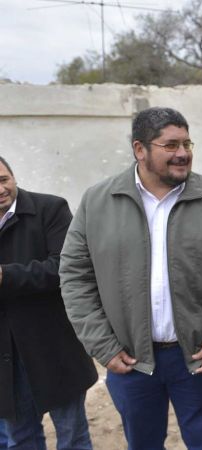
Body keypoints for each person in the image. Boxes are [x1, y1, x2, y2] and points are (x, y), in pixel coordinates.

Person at [59, 107, 202, 450]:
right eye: (171, 145)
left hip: (196, 357)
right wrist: (103, 345)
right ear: (139, 149)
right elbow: (74, 276)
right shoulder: (98, 202)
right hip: (130, 361)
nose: (183, 153)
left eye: (187, 143)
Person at [0, 156, 97, 449]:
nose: (0, 189)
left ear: (13, 177)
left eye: (4, 180)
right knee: (20, 438)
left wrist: (6, 276)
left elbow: (64, 267)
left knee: (72, 436)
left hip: (53, 346)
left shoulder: (49, 209)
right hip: (5, 354)